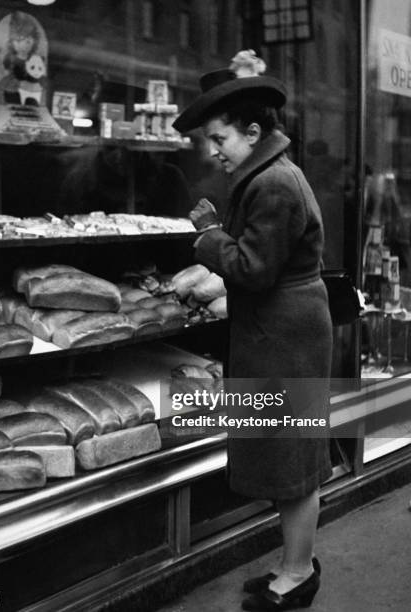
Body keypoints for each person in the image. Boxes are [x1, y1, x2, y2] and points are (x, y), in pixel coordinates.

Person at [173, 51, 333, 611]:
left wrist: (210, 235)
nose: (213, 151)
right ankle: (294, 561)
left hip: (286, 337)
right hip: (281, 330)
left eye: (220, 139)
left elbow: (253, 268)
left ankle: (297, 575)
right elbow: (265, 266)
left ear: (254, 132)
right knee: (284, 456)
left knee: (293, 463)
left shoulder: (274, 185)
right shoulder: (266, 175)